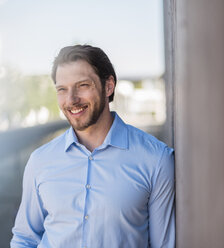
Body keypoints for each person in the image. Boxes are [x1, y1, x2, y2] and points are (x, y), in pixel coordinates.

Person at [10, 45, 175, 248]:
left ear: (108, 86)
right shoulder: (40, 161)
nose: (71, 99)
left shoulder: (156, 159)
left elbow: (164, 245)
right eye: (62, 89)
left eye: (82, 85)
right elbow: (25, 238)